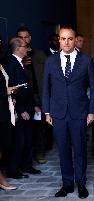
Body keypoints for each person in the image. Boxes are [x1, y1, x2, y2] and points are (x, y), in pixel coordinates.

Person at [42, 25, 94, 199]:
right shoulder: (50, 61)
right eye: (63, 38)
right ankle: (67, 184)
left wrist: (92, 111)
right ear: (59, 40)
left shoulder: (86, 60)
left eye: (70, 38)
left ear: (75, 40)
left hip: (79, 113)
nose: (66, 42)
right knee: (63, 150)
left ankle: (81, 183)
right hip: (58, 113)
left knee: (80, 149)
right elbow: (46, 88)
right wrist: (47, 112)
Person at [5, 37, 41, 179]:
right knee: (19, 141)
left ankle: (26, 165)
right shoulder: (11, 65)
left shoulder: (21, 63)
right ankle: (13, 170)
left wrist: (34, 106)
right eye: (26, 46)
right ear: (18, 48)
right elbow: (12, 90)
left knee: (28, 139)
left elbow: (27, 88)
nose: (28, 48)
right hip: (20, 110)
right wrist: (20, 110)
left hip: (28, 107)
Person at [17, 26, 47, 164]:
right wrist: (21, 63)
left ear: (30, 38)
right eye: (20, 37)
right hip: (25, 97)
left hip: (40, 94)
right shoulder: (16, 55)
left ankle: (40, 153)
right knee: (25, 128)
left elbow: (49, 74)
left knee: (40, 126)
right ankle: (26, 157)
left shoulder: (40, 54)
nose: (24, 39)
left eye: (26, 37)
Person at [0, 64, 17, 190]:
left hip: (4, 108)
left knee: (3, 144)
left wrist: (10, 95)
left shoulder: (1, 65)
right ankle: (1, 178)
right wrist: (5, 91)